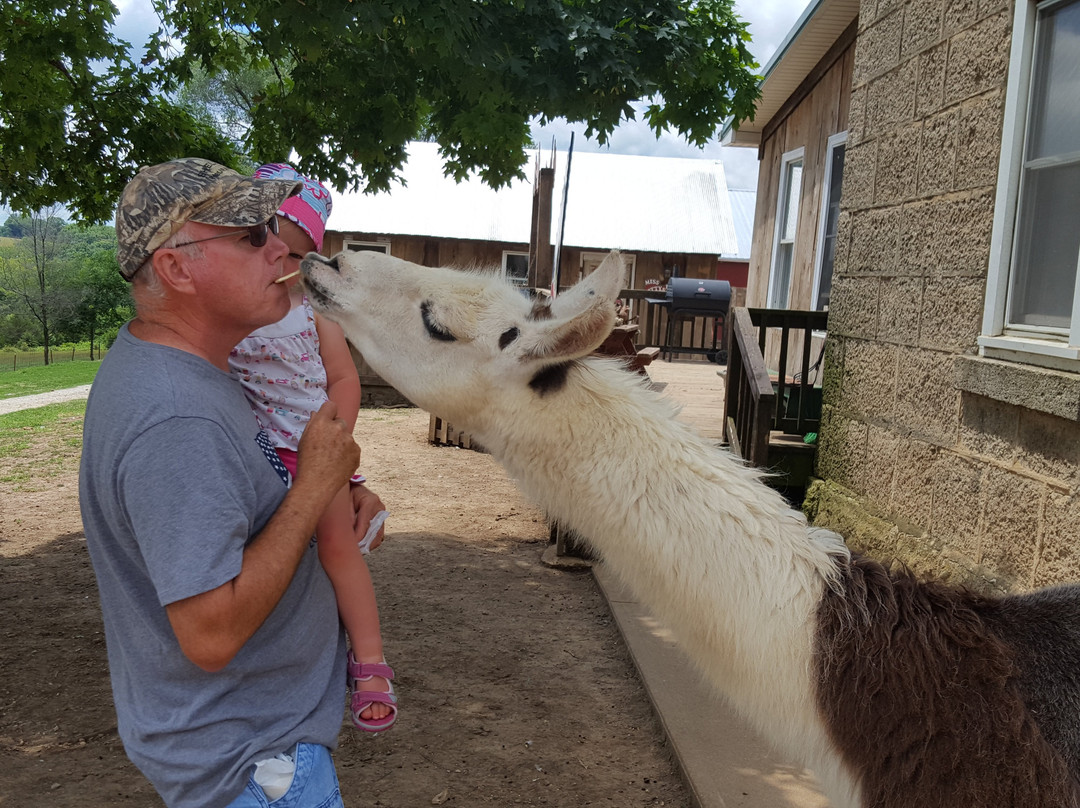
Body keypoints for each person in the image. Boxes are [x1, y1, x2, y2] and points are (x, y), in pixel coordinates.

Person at [79, 157, 385, 808]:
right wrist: (315, 486)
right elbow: (211, 634)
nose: (280, 250)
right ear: (177, 269)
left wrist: (339, 485)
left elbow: (239, 495)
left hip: (253, 753)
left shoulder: (194, 369)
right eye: (250, 236)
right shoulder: (178, 419)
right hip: (255, 769)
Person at [228, 162, 396, 733]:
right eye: (267, 241)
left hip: (312, 449)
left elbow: (343, 377)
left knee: (338, 551)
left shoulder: (312, 309)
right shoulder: (232, 310)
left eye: (298, 257)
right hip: (256, 449)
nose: (282, 263)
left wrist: (336, 439)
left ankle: (369, 662)